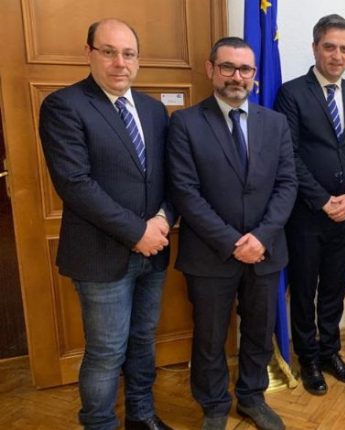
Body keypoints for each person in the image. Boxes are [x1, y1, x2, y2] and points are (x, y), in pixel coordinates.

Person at [38, 18, 173, 430]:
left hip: (154, 252)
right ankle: (98, 424)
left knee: (143, 341)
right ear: (89, 53)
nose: (120, 62)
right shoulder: (64, 106)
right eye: (109, 52)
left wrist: (163, 219)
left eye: (128, 54)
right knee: (106, 351)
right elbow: (75, 184)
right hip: (100, 256)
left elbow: (171, 176)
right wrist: (137, 232)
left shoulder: (153, 110)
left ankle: (141, 416)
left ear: (138, 60)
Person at [167, 37, 297, 430]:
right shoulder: (186, 123)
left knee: (259, 330)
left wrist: (261, 237)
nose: (236, 77)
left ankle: (252, 398)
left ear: (254, 75)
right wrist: (231, 242)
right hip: (210, 255)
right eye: (228, 67)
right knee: (209, 337)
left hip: (265, 251)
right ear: (211, 69)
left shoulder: (275, 123)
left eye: (245, 69)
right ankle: (213, 406)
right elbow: (185, 192)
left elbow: (287, 184)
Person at [273, 14, 345, 395]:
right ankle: (308, 358)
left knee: (333, 287)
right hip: (307, 214)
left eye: (344, 48)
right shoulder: (292, 93)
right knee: (304, 289)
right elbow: (289, 155)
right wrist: (323, 200)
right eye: (330, 46)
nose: (337, 55)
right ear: (315, 48)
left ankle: (330, 352)